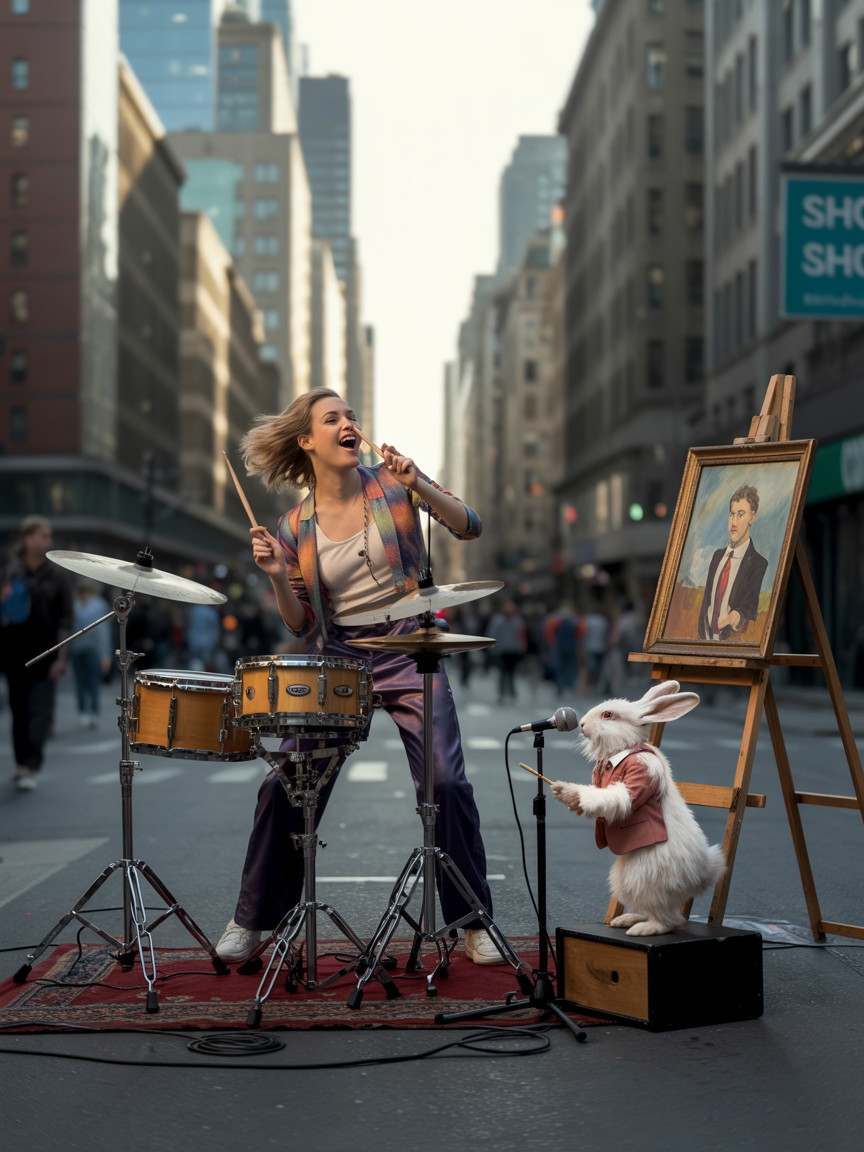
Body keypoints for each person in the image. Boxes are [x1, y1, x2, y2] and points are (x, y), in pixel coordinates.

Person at [215, 388, 503, 966]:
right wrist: (275, 574)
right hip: (341, 657)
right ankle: (252, 920)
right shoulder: (295, 524)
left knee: (445, 782)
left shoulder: (393, 484)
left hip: (409, 647)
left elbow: (469, 524)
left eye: (351, 416)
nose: (349, 424)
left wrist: (419, 480)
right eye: (333, 418)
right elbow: (299, 621)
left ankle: (472, 921)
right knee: (285, 782)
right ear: (307, 440)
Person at [0, 516, 73, 791]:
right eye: (42, 535)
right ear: (27, 538)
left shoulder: (58, 574)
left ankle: (32, 764)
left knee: (40, 712)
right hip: (12, 651)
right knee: (18, 711)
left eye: (49, 535)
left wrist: (62, 657)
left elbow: (66, 619)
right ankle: (21, 763)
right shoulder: (10, 571)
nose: (47, 540)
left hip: (46, 653)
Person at [698, 485, 768, 642]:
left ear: (752, 517)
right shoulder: (717, 557)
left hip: (731, 644)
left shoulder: (758, 563)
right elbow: (707, 602)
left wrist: (737, 616)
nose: (734, 522)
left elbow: (750, 608)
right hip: (705, 643)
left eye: (740, 515)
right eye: (732, 515)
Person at [68, 582, 113, 728]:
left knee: (94, 682)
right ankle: (83, 712)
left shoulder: (99, 605)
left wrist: (105, 654)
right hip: (76, 649)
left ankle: (94, 711)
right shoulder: (74, 604)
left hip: (94, 649)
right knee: (80, 683)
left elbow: (103, 631)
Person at [485, 600, 526, 704]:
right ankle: (502, 694)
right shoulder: (497, 620)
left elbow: (521, 635)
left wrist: (521, 646)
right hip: (501, 651)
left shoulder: (517, 621)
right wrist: (492, 647)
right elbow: (492, 633)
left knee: (511, 673)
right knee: (502, 673)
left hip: (513, 651)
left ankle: (512, 693)